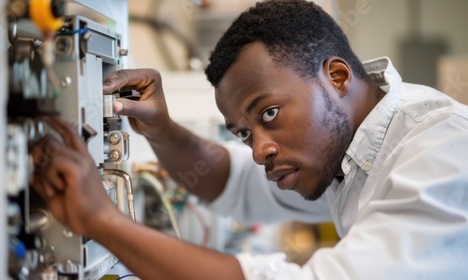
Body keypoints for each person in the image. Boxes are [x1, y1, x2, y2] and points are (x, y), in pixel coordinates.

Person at [31, 0, 468, 279]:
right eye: (244, 133)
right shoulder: (345, 157)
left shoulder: (441, 149)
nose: (259, 150)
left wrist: (102, 221)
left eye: (270, 114)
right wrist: (162, 131)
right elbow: (230, 180)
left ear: (336, 76)